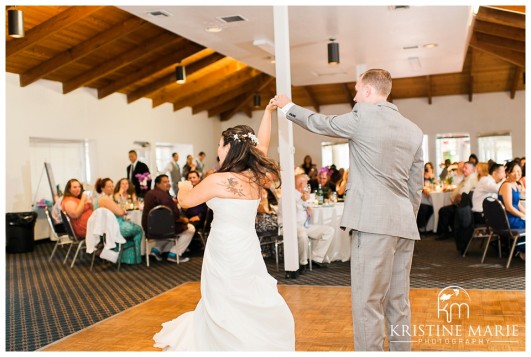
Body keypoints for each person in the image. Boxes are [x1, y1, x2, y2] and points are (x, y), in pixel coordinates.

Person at [273, 68, 423, 351]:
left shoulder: (362, 116)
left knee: (367, 301)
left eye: (356, 90)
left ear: (368, 91)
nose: (354, 96)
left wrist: (287, 107)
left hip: (372, 224)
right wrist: (406, 218)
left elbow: (321, 122)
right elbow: (415, 187)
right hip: (404, 225)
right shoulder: (413, 130)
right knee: (398, 301)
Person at [153, 99, 295, 351]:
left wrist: (184, 184)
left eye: (219, 145)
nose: (218, 149)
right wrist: (267, 113)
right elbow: (262, 145)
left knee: (224, 295)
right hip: (247, 245)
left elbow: (185, 202)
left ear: (229, 147)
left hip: (223, 246)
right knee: (249, 292)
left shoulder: (217, 180)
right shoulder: (256, 175)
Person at [278, 174, 334, 273]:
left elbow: (307, 214)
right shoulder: (287, 196)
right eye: (306, 184)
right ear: (300, 184)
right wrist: (301, 201)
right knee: (302, 234)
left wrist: (308, 209)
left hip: (304, 226)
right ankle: (302, 263)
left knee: (329, 231)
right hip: (289, 226)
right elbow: (289, 216)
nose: (308, 186)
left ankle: (314, 258)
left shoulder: (302, 196)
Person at [141, 175, 195, 263]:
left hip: (150, 228)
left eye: (168, 181)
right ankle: (174, 254)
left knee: (169, 229)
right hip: (163, 228)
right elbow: (175, 215)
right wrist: (184, 220)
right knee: (190, 229)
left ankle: (156, 250)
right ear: (158, 184)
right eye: (165, 182)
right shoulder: (164, 196)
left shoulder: (149, 193)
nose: (168, 184)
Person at [93, 178, 143, 264]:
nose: (112, 188)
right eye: (109, 186)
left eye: (112, 186)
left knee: (131, 227)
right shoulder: (105, 199)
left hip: (105, 228)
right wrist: (123, 210)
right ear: (102, 188)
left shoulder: (98, 199)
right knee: (138, 230)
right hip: (114, 228)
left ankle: (123, 257)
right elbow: (120, 212)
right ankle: (135, 258)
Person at [436, 161, 478, 239]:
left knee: (443, 211)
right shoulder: (467, 177)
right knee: (446, 210)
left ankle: (443, 233)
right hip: (461, 205)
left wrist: (455, 200)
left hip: (464, 206)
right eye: (463, 167)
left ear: (473, 169)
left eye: (466, 168)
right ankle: (450, 232)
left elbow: (463, 194)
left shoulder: (471, 178)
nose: (463, 169)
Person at [498, 161, 526, 259]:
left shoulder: (515, 184)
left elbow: (517, 204)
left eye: (518, 171)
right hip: (509, 219)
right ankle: (522, 251)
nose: (516, 174)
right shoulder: (506, 185)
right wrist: (523, 216)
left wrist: (526, 214)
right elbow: (509, 207)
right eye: (513, 172)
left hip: (513, 216)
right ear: (508, 173)